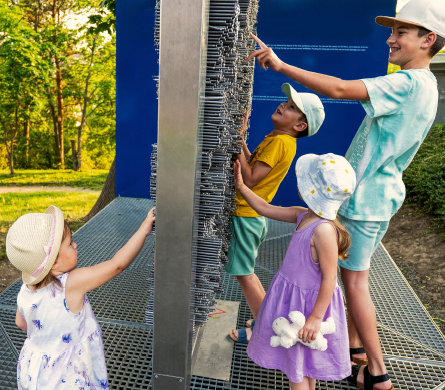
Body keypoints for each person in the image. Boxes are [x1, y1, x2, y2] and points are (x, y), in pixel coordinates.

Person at [245, 0, 445, 388]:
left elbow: (339, 89)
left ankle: (378, 372)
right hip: (374, 196)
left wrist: (282, 65)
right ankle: (355, 354)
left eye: (401, 32)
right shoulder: (428, 86)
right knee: (352, 280)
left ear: (428, 40)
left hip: (366, 199)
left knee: (353, 284)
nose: (391, 39)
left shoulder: (408, 83)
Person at [232, 152, 356, 390]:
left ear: (308, 191)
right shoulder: (303, 215)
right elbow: (265, 208)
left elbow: (330, 278)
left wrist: (315, 319)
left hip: (308, 307)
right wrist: (241, 186)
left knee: (296, 369)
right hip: (292, 301)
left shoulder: (323, 231)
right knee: (300, 365)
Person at [6, 205, 155, 389]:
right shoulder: (71, 284)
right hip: (67, 376)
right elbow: (117, 265)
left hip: (35, 370)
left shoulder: (25, 290)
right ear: (54, 263)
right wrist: (143, 229)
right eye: (70, 243)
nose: (75, 245)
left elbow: (20, 323)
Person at [227, 83, 325, 344]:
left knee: (245, 275)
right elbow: (254, 166)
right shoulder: (280, 139)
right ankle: (265, 318)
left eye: (292, 108)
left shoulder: (280, 141)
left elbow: (249, 179)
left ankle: (264, 329)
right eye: (286, 102)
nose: (283, 105)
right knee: (246, 272)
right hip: (252, 216)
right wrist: (241, 143)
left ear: (300, 126)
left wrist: (234, 143)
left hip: (246, 215)